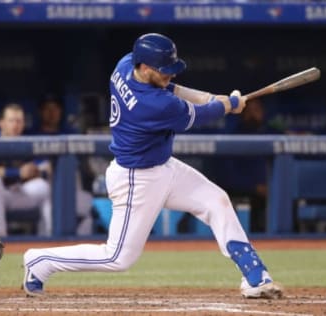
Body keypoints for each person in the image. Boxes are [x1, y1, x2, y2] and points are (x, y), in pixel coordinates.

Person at [22, 33, 282, 299]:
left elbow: (173, 90)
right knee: (117, 257)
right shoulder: (154, 106)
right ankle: (40, 261)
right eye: (164, 70)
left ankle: (254, 276)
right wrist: (228, 105)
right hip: (137, 179)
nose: (171, 75)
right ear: (145, 68)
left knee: (217, 200)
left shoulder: (125, 65)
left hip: (163, 167)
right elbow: (200, 114)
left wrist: (215, 98)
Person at [0, 103, 52, 237]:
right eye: (11, 120)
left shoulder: (27, 142)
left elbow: (47, 166)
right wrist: (18, 172)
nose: (15, 125)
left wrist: (35, 170)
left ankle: (48, 238)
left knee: (43, 187)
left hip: (9, 194)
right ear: (1, 123)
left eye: (19, 121)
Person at [30, 95, 94, 236]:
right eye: (47, 109)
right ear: (41, 112)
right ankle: (46, 245)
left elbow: (87, 167)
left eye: (55, 109)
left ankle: (79, 251)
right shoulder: (30, 134)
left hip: (69, 187)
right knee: (47, 212)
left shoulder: (69, 133)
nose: (52, 113)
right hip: (41, 186)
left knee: (87, 209)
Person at [215, 98, 282, 232]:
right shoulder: (233, 138)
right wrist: (254, 187)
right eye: (249, 111)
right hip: (245, 190)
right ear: (242, 114)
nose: (253, 114)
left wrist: (273, 187)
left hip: (274, 190)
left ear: (263, 112)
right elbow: (226, 174)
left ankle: (287, 240)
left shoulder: (274, 134)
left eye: (256, 110)